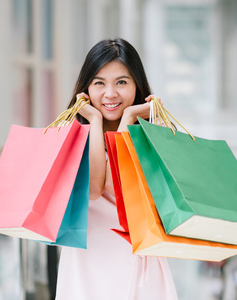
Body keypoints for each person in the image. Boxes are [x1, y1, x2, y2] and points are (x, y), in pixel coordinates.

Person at [55, 38, 178, 299]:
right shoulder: (73, 134)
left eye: (121, 82)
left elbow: (120, 185)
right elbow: (94, 189)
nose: (110, 93)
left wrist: (130, 120)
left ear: (137, 85)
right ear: (87, 87)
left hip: (135, 255)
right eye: (100, 83)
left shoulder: (154, 133)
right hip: (86, 258)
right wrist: (96, 121)